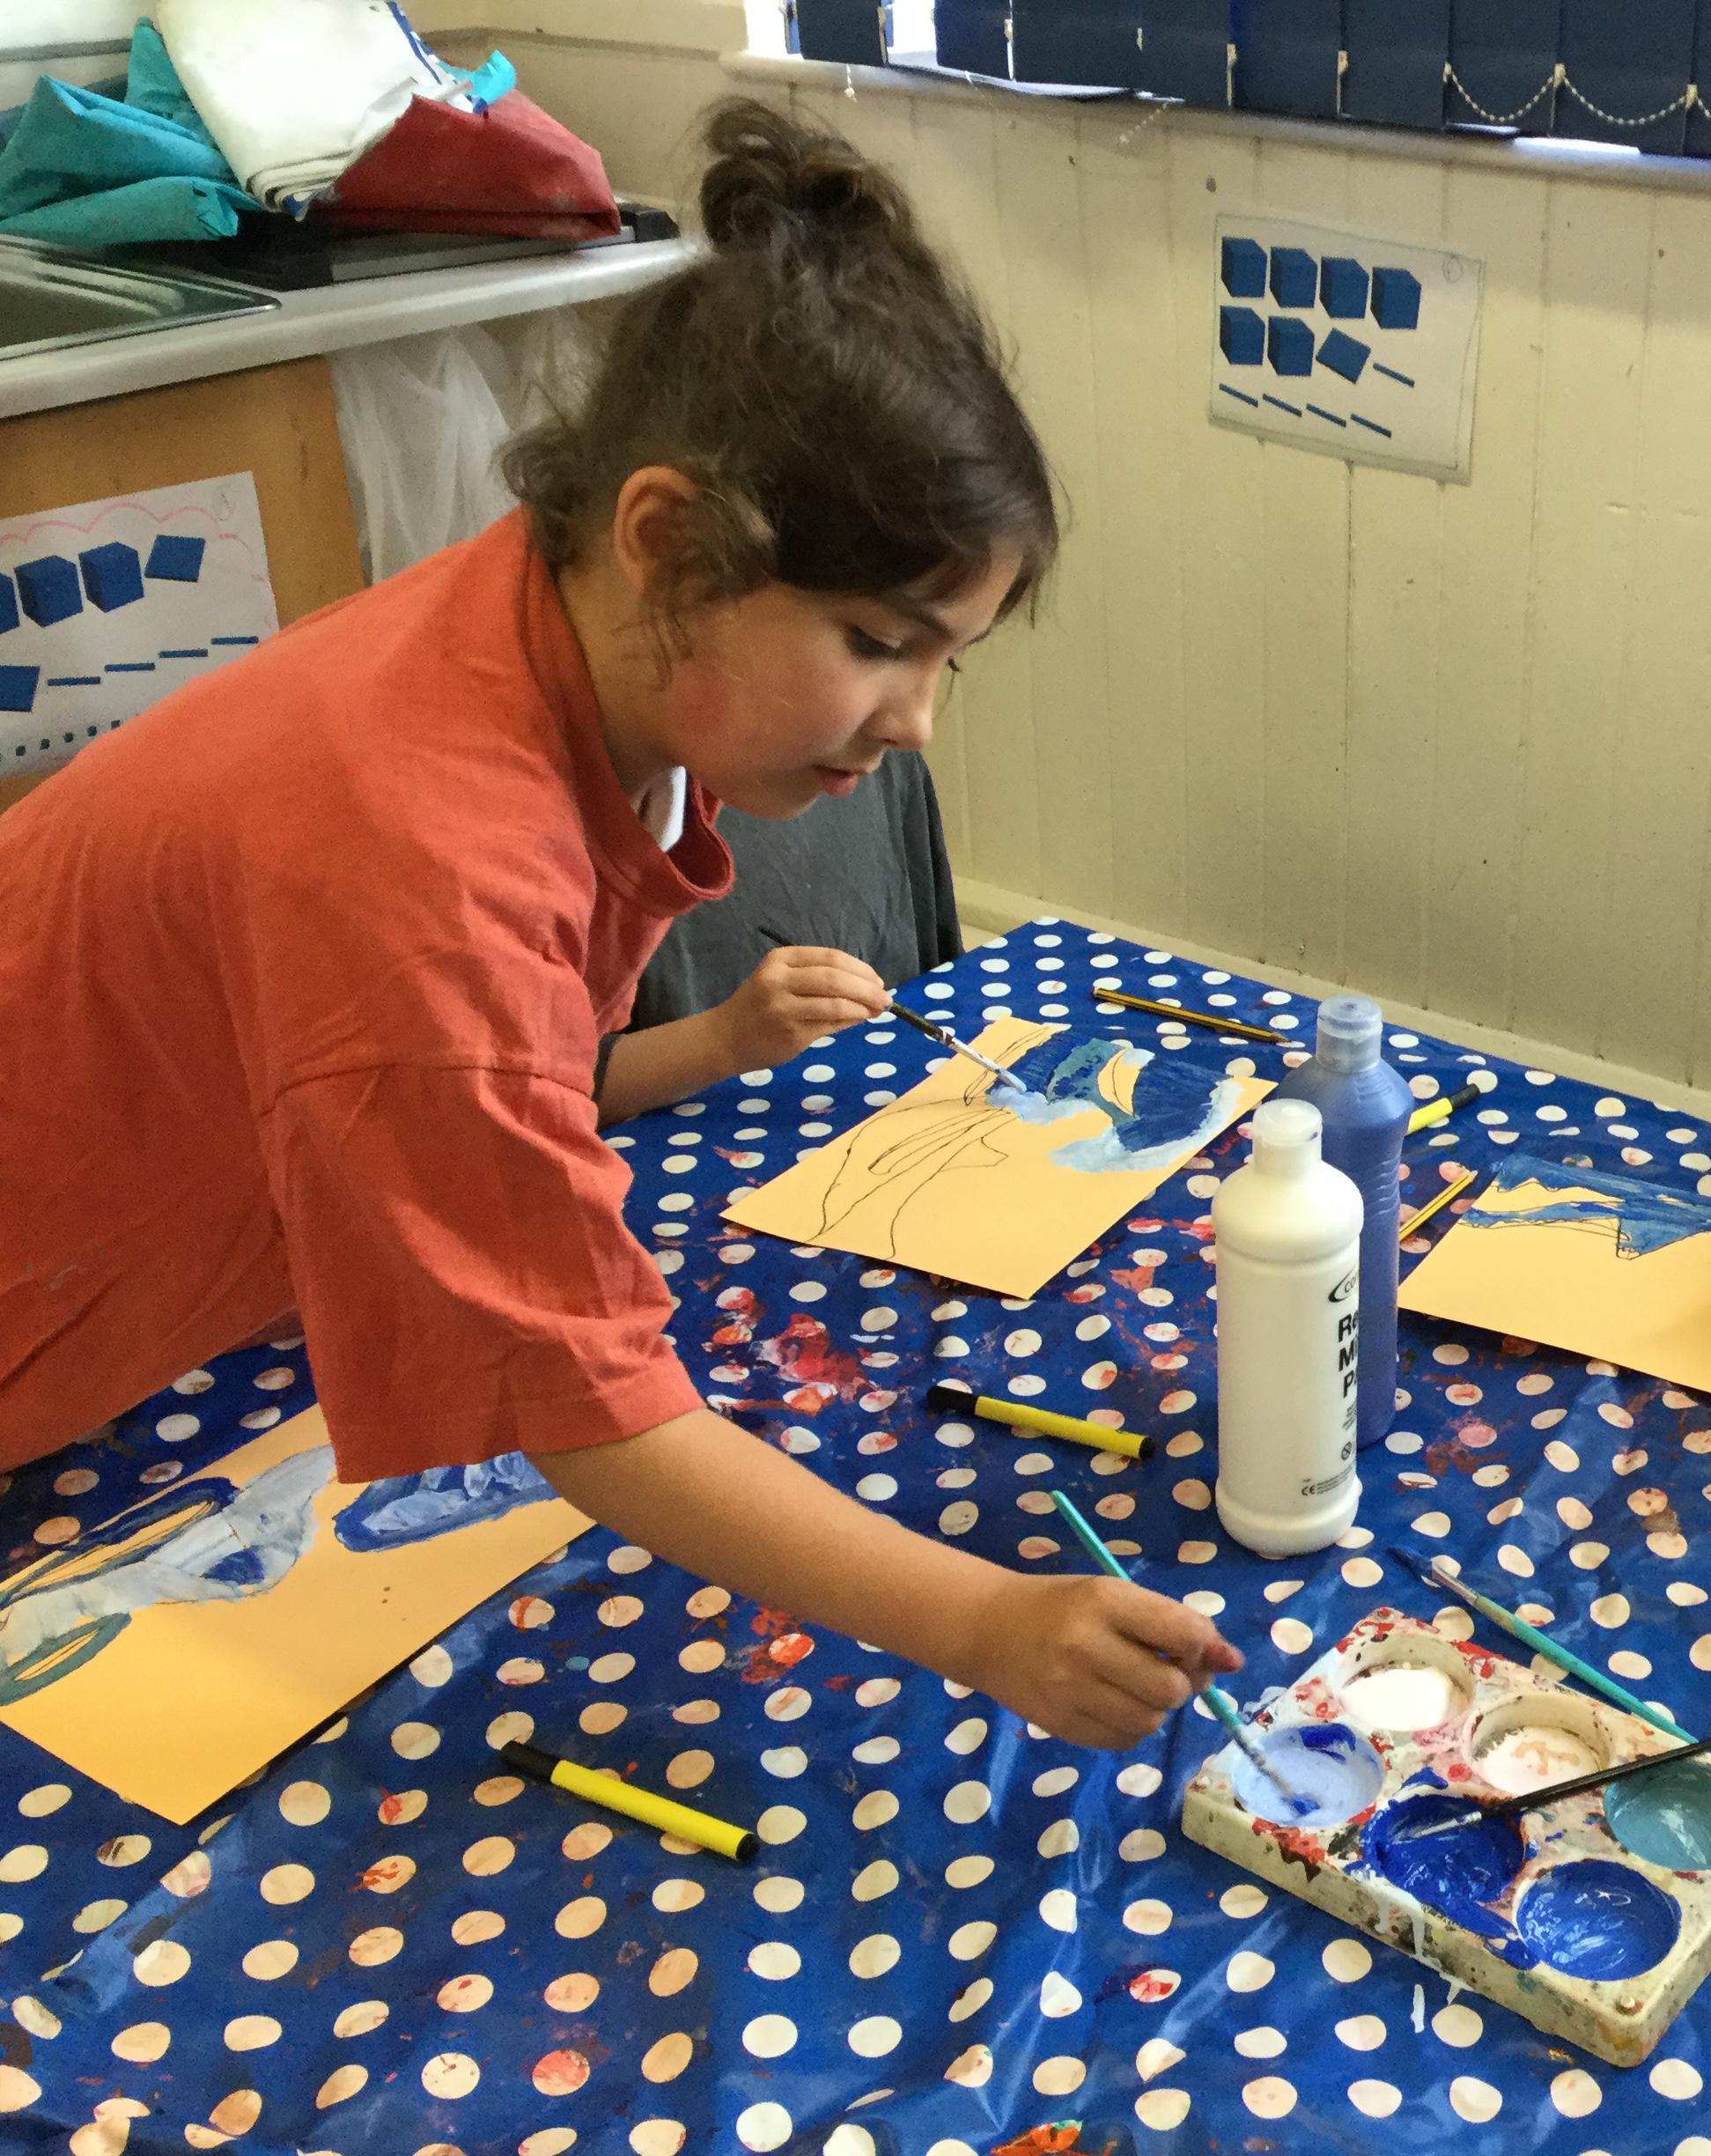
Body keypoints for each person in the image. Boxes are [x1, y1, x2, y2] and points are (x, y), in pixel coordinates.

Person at [0, 100, 1240, 1748]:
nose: (916, 721)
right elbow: (579, 1401)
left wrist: (700, 1047)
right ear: (665, 541)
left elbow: (488, 1068)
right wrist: (979, 1619)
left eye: (950, 658)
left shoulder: (564, 645)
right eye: (879, 643)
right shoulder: (424, 851)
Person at [592, 750, 962, 1124]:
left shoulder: (886, 766)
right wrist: (724, 1038)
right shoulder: (593, 821)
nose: (915, 731)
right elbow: (566, 1084)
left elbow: (942, 984)